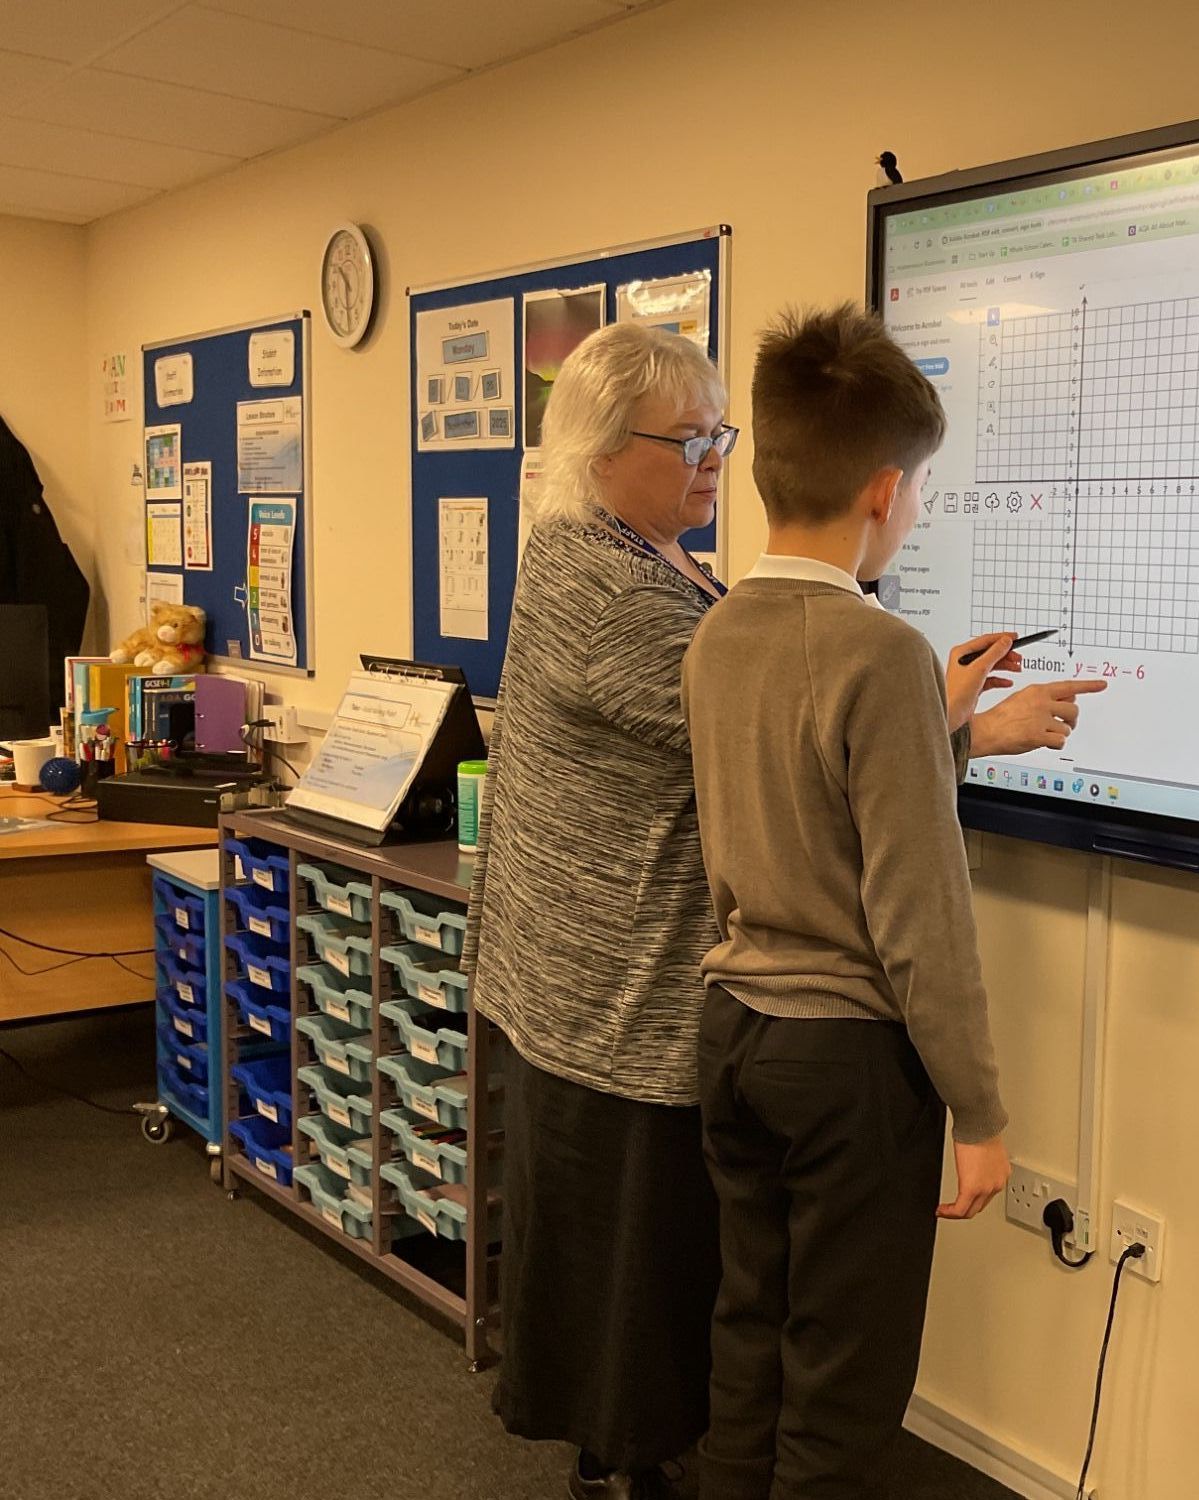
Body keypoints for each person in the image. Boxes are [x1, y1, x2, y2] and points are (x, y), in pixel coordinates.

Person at [683, 304, 1098, 1499]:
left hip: (736, 1038)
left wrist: (947, 727)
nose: (912, 509)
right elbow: (920, 916)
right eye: (916, 490)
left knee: (750, 1340)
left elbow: (800, 811)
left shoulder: (718, 632)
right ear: (880, 491)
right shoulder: (880, 655)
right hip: (847, 1070)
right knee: (844, 1387)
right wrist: (978, 1111)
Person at [463, 322, 733, 1500]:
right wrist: (953, 725)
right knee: (625, 1264)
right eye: (690, 439)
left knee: (637, 1259)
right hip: (604, 995)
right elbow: (761, 729)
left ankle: (627, 1454)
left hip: (604, 979)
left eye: (722, 432)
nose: (715, 459)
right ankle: (616, 1468)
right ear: (600, 446)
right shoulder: (594, 576)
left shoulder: (653, 554)